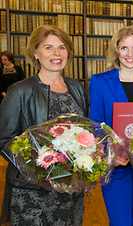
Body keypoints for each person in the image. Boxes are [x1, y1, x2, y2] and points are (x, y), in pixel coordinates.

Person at [0, 25, 87, 225]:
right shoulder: (19, 91)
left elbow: (85, 133)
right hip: (32, 192)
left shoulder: (77, 88)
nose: (56, 53)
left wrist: (86, 173)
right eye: (48, 47)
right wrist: (42, 164)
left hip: (70, 192)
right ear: (35, 53)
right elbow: (4, 141)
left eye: (62, 47)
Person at [89, 25, 133, 226]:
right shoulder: (100, 81)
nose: (130, 54)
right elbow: (96, 124)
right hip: (115, 165)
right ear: (116, 50)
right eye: (124, 48)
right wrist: (110, 154)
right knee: (120, 221)